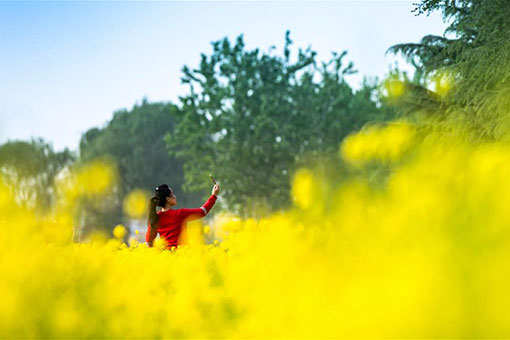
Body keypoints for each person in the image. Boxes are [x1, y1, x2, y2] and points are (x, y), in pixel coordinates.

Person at [146, 183, 220, 249]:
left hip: (166, 258)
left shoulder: (155, 218)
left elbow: (149, 242)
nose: (175, 196)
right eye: (172, 194)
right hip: (183, 253)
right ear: (168, 199)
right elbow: (202, 211)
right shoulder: (180, 214)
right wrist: (214, 195)